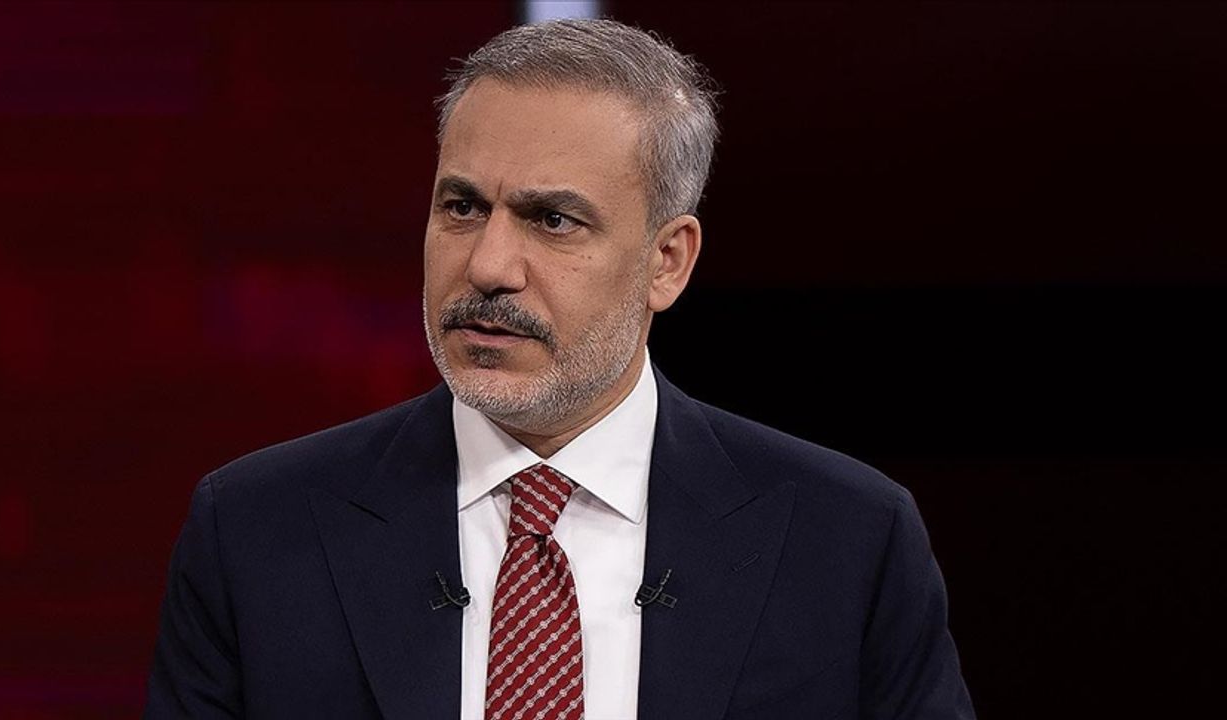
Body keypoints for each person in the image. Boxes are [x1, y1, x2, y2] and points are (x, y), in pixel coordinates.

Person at [146, 18, 975, 720]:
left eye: (552, 220)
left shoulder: (848, 542)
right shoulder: (253, 532)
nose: (488, 266)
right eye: (462, 206)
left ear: (667, 262)